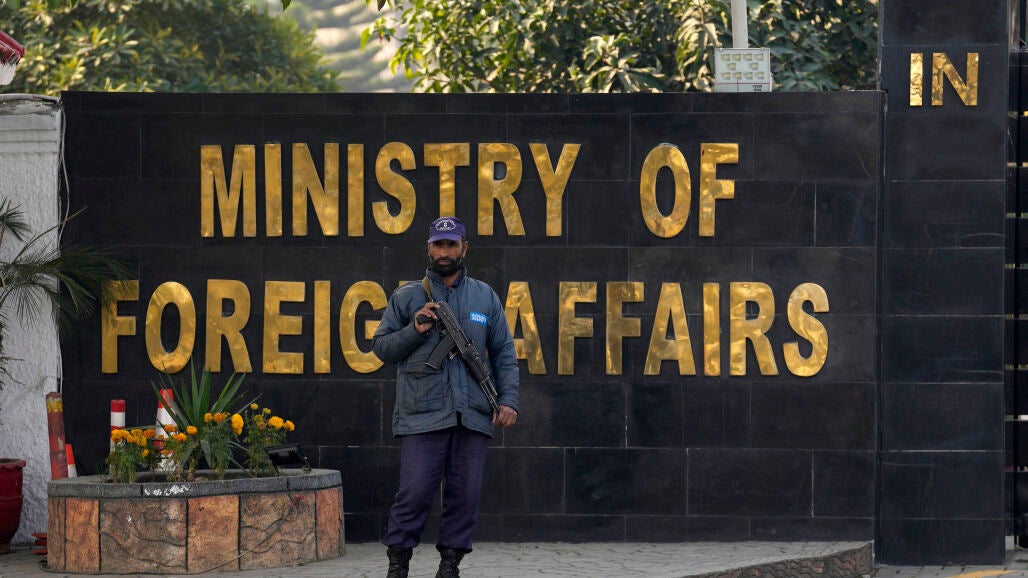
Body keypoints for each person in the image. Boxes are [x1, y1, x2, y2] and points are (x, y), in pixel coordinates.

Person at [373, 216, 520, 578]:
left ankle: (450, 566)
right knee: (414, 493)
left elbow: (504, 352)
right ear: (428, 248)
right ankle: (398, 565)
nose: (444, 251)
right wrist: (415, 329)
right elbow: (382, 348)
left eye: (451, 244)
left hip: (472, 413)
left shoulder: (484, 296)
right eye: (438, 244)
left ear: (463, 248)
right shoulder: (407, 296)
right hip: (422, 414)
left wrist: (508, 400)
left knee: (465, 496)